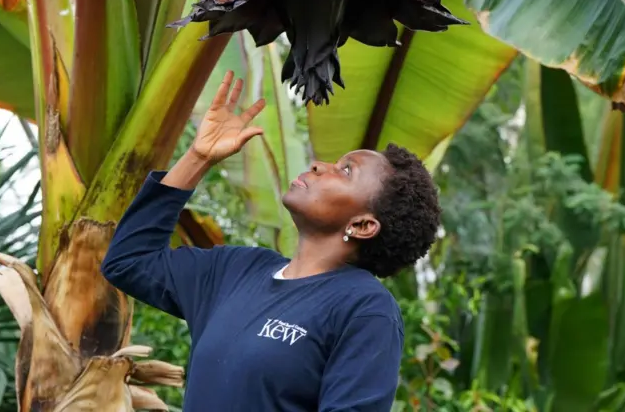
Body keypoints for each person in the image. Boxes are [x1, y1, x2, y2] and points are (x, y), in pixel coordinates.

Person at [101, 71, 441, 411]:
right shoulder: (236, 269)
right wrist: (199, 157)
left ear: (364, 225)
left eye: (346, 170)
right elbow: (129, 261)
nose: (320, 166)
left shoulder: (365, 310)